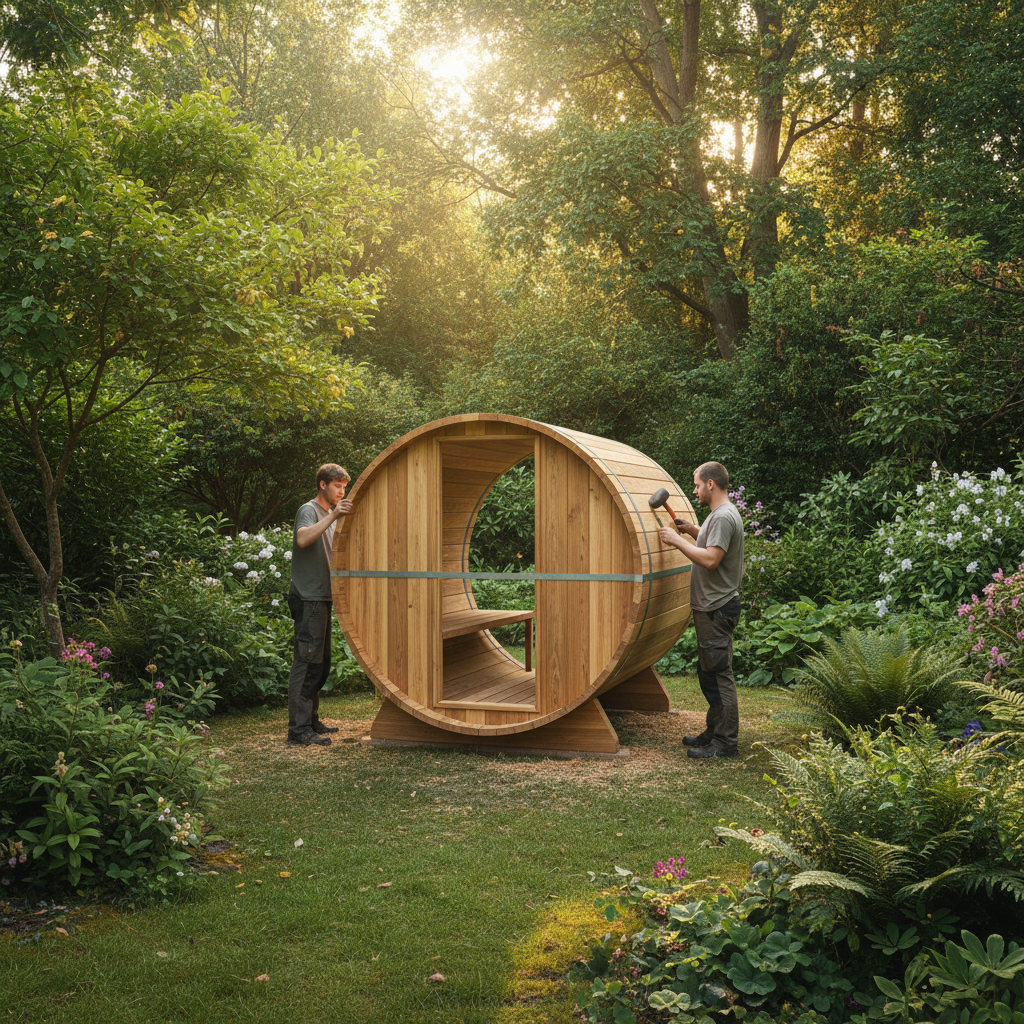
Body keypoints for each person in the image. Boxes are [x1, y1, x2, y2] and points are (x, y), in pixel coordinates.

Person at [658, 461, 744, 759]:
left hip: (716, 608)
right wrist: (693, 530)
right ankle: (714, 731)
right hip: (713, 607)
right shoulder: (718, 515)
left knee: (720, 675)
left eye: (696, 485)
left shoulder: (722, 516)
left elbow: (710, 560)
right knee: (708, 673)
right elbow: (712, 544)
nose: (694, 490)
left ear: (710, 484)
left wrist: (676, 541)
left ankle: (725, 744)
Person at [286, 463, 353, 746]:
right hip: (308, 596)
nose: (342, 491)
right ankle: (298, 731)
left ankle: (311, 721)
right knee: (307, 662)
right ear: (323, 485)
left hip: (323, 596)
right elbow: (302, 539)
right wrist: (334, 515)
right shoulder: (309, 510)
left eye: (344, 487)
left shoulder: (328, 514)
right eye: (337, 486)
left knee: (321, 664)